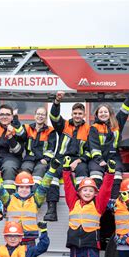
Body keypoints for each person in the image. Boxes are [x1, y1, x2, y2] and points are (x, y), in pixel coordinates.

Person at [61, 156, 115, 257]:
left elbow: (105, 189)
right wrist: (66, 171)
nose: (87, 192)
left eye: (91, 190)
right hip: (75, 249)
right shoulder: (73, 202)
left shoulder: (98, 205)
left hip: (90, 248)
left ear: (95, 193)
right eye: (85, 190)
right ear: (79, 192)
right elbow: (68, 186)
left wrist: (110, 173)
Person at [89, 81, 129, 206]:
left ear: (110, 114)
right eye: (101, 112)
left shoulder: (117, 123)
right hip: (98, 158)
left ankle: (112, 203)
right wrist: (100, 160)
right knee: (96, 174)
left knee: (117, 175)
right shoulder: (94, 128)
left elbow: (126, 108)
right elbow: (93, 146)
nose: (103, 114)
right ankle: (96, 202)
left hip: (114, 156)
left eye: (105, 112)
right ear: (97, 115)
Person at [48, 92, 91, 223]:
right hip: (62, 158)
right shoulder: (64, 125)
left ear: (84, 115)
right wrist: (57, 102)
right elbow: (54, 117)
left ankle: (82, 207)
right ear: (72, 114)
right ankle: (52, 209)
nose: (77, 116)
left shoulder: (89, 129)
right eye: (75, 113)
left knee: (82, 174)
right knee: (52, 174)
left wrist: (78, 161)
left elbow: (89, 151)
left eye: (80, 113)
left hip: (79, 160)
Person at [15, 106, 58, 221]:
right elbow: (20, 135)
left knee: (38, 176)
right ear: (34, 115)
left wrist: (46, 159)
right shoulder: (28, 128)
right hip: (29, 159)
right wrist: (15, 119)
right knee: (24, 174)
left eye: (43, 114)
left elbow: (51, 147)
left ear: (45, 117)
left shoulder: (50, 131)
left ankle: (32, 202)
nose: (40, 116)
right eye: (38, 114)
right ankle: (19, 203)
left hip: (42, 160)